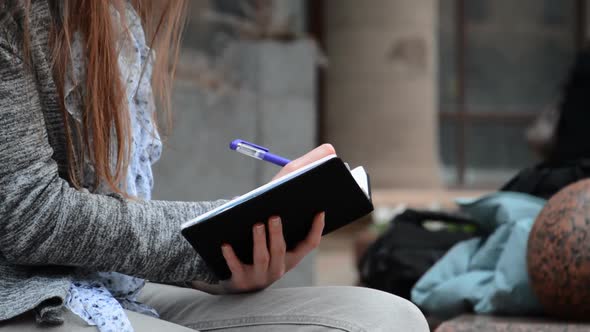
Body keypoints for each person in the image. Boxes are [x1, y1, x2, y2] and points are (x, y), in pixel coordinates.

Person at [0, 1, 429, 331]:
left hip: (107, 285)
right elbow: (29, 215)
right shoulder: (12, 17)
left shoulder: (118, 24)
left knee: (388, 318)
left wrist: (226, 258)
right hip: (20, 296)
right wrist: (210, 238)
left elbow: (105, 220)